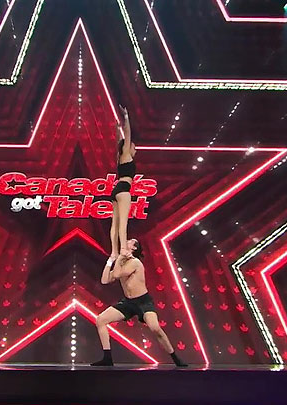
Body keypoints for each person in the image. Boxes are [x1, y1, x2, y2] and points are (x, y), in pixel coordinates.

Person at [91, 238, 187, 367]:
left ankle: (175, 358)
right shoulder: (121, 264)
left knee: (155, 328)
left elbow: (118, 274)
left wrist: (119, 258)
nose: (126, 241)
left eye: (130, 241)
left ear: (134, 248)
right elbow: (104, 280)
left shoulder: (135, 262)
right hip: (128, 302)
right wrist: (110, 261)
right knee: (100, 320)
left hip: (143, 302)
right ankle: (107, 358)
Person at [109, 105, 135, 260]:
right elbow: (127, 135)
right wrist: (126, 118)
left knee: (115, 223)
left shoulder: (120, 157)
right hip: (124, 190)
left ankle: (114, 252)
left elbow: (118, 141)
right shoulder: (126, 154)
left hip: (116, 190)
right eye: (134, 147)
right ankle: (123, 249)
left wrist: (117, 129)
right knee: (123, 222)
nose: (135, 149)